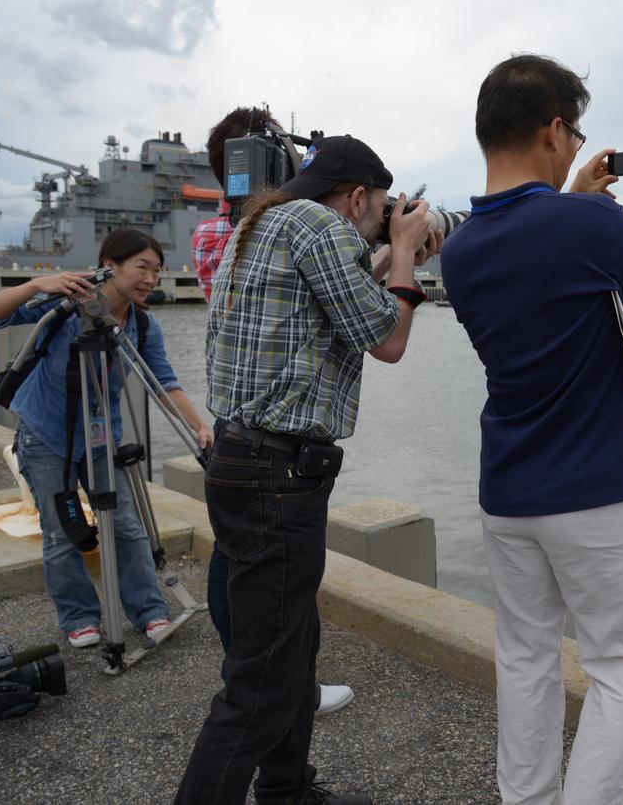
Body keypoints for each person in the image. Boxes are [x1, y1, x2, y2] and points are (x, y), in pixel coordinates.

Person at [175, 134, 441, 805]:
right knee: (263, 680)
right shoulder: (321, 225)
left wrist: (388, 257)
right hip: (278, 474)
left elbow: (338, 305)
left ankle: (289, 790)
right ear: (356, 196)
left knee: (291, 648)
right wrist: (406, 253)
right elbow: (387, 340)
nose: (384, 218)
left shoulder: (258, 222)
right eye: (382, 208)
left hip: (240, 460)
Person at [440, 54, 623, 805]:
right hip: (595, 485)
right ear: (550, 127)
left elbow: (538, 255)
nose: (576, 145)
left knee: (526, 658)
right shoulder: (594, 220)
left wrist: (577, 198)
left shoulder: (463, 248)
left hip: (508, 489)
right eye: (572, 131)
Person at [0, 227, 215, 648]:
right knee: (59, 530)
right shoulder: (67, 304)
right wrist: (37, 284)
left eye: (156, 271)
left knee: (126, 524)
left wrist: (199, 426)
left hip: (102, 437)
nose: (150, 279)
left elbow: (164, 382)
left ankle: (149, 610)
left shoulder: (142, 324)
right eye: (142, 267)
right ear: (110, 265)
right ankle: (79, 618)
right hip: (45, 433)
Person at [192, 105, 354, 718]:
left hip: (233, 428)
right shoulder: (254, 231)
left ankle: (257, 675)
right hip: (272, 437)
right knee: (260, 569)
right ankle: (261, 680)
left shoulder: (224, 231)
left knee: (237, 556)